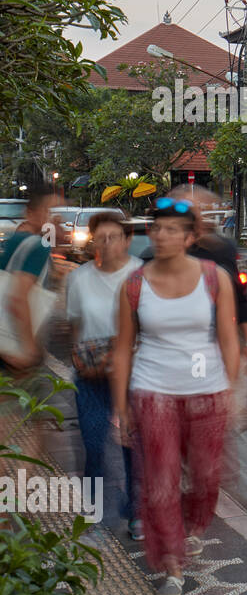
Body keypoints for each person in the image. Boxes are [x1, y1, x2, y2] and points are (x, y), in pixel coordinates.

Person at [111, 197, 240, 595]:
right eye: (157, 228)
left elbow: (228, 338)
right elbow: (121, 348)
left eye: (172, 230)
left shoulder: (214, 277)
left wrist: (231, 391)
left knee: (204, 477)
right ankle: (172, 562)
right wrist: (120, 407)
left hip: (207, 392)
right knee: (161, 481)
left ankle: (196, 526)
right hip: (154, 393)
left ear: (189, 238)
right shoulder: (134, 284)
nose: (162, 236)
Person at [155, 185, 247, 511]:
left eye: (204, 209)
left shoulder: (223, 249)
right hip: (185, 350)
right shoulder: (165, 252)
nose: (200, 216)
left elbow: (241, 300)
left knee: (235, 420)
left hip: (226, 345)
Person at [66, 212, 142, 537]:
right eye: (101, 237)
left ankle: (136, 512)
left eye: (115, 237)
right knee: (93, 443)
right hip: (91, 375)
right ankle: (94, 510)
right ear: (92, 240)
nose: (107, 244)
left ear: (127, 240)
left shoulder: (140, 273)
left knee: (133, 445)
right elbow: (75, 325)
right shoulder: (79, 277)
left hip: (133, 373)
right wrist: (79, 359)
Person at [1, 189, 70, 372]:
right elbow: (18, 298)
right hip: (13, 347)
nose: (55, 219)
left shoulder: (16, 239)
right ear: (31, 213)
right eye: (49, 212)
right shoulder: (39, 246)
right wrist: (29, 347)